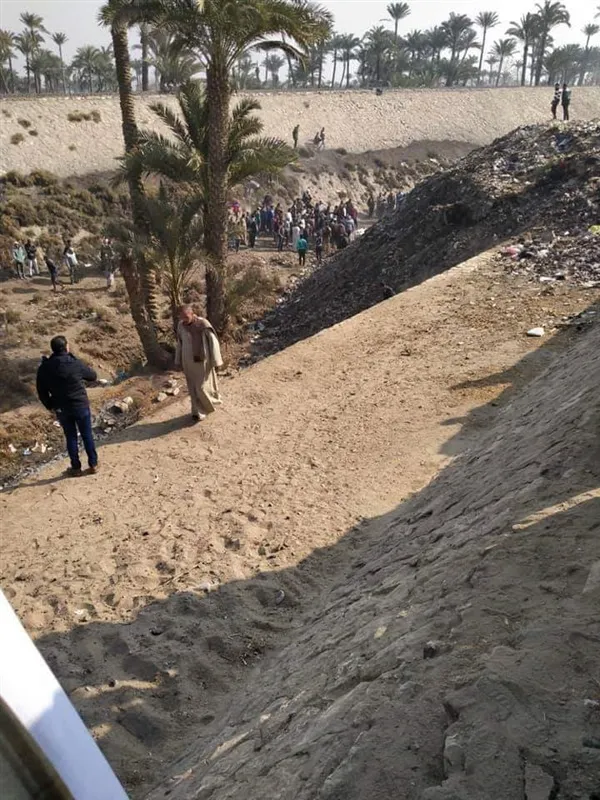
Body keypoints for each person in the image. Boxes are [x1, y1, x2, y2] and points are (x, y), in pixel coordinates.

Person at [36, 335, 98, 476]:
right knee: (87, 435)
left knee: (71, 437)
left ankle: (75, 468)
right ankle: (93, 464)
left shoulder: (45, 368)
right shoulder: (74, 363)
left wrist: (50, 405)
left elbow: (41, 391)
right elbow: (92, 376)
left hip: (61, 407)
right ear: (66, 347)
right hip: (80, 404)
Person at [175, 306, 224, 422]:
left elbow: (213, 343)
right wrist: (178, 359)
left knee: (201, 388)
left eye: (186, 317)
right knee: (192, 388)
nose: (184, 320)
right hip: (188, 362)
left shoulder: (203, 324)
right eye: (181, 317)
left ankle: (208, 405)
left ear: (192, 314)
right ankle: (197, 411)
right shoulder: (181, 326)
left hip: (202, 362)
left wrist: (216, 361)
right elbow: (179, 343)